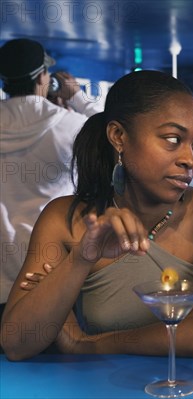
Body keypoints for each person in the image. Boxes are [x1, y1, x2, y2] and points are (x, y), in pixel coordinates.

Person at [0, 70, 193, 360]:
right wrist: (81, 259)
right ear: (118, 136)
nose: (190, 160)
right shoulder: (65, 219)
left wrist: (88, 344)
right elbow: (17, 343)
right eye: (172, 139)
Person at [0, 39, 103, 319]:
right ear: (43, 77)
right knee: (54, 358)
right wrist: (78, 99)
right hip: (51, 266)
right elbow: (113, 135)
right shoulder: (69, 125)